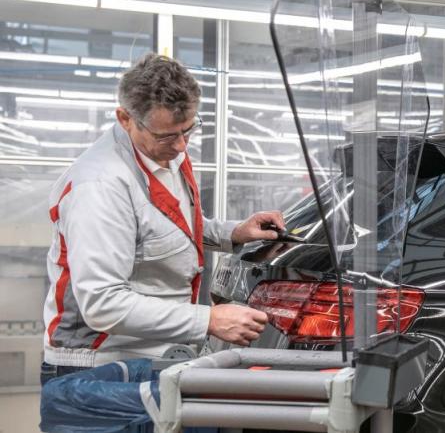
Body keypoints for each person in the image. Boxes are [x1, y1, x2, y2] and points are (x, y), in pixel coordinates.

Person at [42, 53, 285, 382]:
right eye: (167, 136)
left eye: (189, 130)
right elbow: (102, 303)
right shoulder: (100, 186)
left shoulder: (164, 153)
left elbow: (162, 230)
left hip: (157, 355)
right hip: (100, 368)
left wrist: (234, 233)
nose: (182, 146)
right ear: (125, 119)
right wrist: (208, 320)